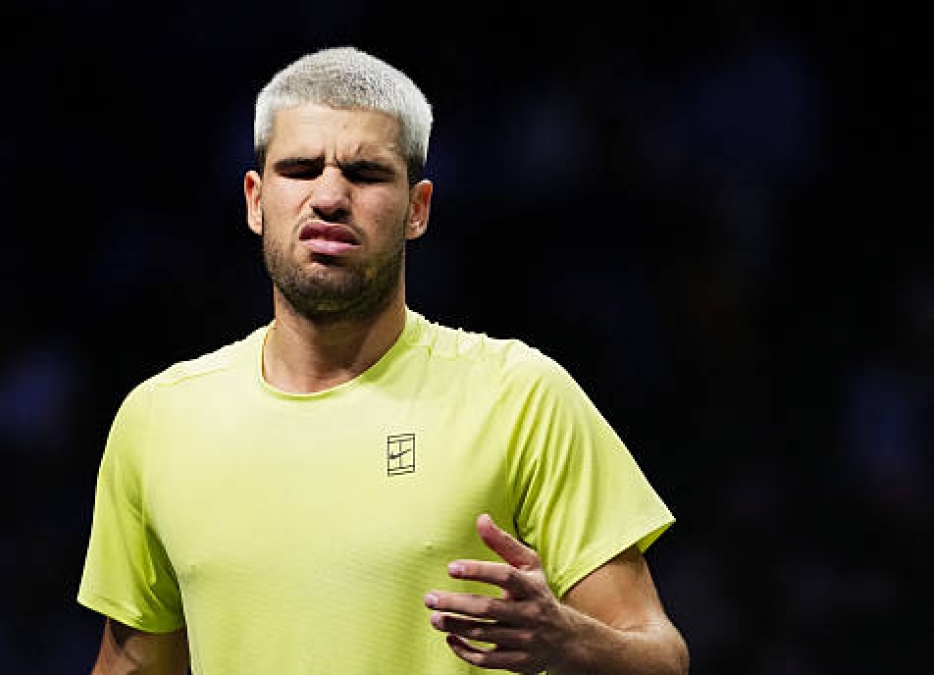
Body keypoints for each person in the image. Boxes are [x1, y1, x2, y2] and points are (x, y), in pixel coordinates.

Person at [78, 45, 689, 674]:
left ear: (417, 209)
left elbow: (662, 659)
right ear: (256, 200)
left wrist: (569, 641)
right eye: (301, 168)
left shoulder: (521, 398)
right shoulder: (160, 420)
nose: (330, 196)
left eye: (366, 173)